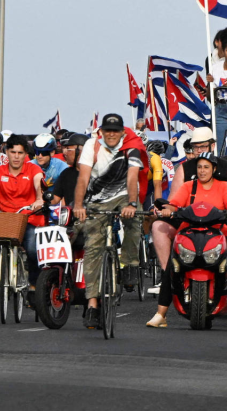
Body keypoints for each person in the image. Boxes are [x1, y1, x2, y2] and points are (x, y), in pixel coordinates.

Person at [147, 153, 227, 331]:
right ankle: (160, 315)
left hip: (218, 233)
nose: (202, 171)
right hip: (189, 233)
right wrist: (167, 210)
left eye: (206, 167)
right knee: (171, 269)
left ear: (214, 169)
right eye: (199, 167)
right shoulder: (189, 186)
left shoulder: (224, 186)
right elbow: (175, 204)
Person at [73, 113, 143, 329]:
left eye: (115, 131)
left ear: (122, 132)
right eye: (107, 131)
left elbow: (132, 177)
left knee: (135, 219)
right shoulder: (91, 145)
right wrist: (78, 205)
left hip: (124, 195)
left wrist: (131, 204)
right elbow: (83, 177)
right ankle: (92, 304)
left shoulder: (131, 145)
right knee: (93, 247)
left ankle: (130, 263)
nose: (111, 135)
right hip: (97, 200)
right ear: (101, 131)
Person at [0, 136, 45, 285]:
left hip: (28, 218)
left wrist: (39, 199)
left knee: (33, 250)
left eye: (20, 153)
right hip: (6, 219)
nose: (16, 156)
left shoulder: (34, 168)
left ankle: (34, 285)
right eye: (13, 152)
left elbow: (39, 185)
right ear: (6, 152)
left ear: (26, 154)